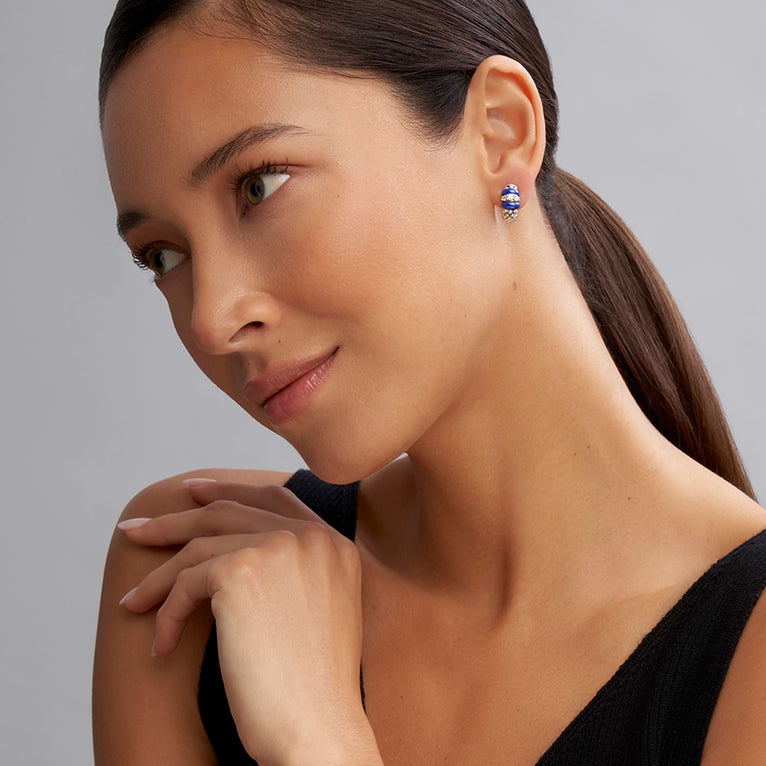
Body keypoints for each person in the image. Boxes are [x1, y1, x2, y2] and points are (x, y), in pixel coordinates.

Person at [92, 1, 766, 763]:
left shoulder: (749, 662)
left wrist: (319, 742)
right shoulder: (189, 583)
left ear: (500, 134)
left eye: (261, 184)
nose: (211, 319)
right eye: (162, 256)